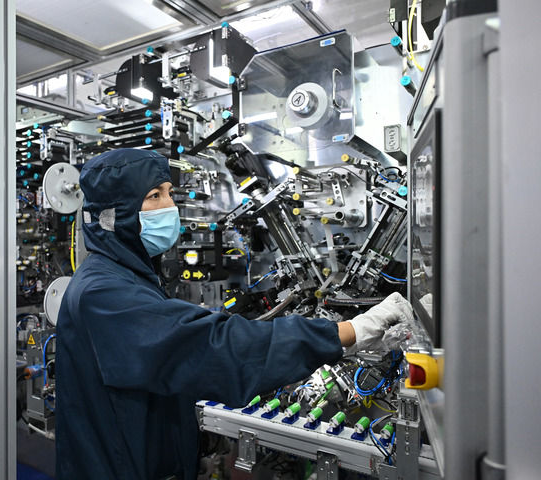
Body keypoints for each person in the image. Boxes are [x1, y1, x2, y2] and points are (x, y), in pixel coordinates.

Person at [55, 148, 413, 480]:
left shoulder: (126, 276)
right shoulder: (104, 294)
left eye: (169, 193)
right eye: (154, 196)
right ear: (113, 216)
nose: (170, 206)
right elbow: (213, 347)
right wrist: (347, 332)